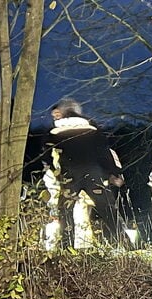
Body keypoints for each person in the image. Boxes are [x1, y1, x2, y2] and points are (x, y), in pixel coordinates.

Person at [44, 98, 125, 249]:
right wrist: (113, 173)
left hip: (69, 175)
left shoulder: (55, 129)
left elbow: (47, 153)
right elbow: (103, 151)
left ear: (63, 111)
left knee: (65, 212)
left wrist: (55, 173)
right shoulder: (91, 126)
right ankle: (124, 244)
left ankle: (65, 248)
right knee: (107, 209)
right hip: (93, 173)